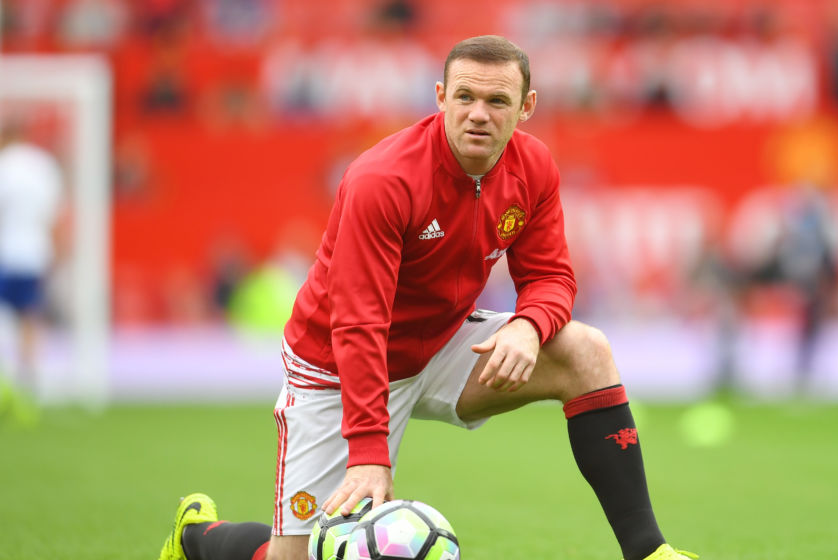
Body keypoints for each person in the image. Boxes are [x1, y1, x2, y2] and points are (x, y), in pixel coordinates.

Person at [158, 35, 697, 560]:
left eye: (496, 101)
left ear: (527, 106)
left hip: (439, 344)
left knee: (587, 351)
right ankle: (197, 538)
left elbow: (553, 277)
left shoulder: (533, 168)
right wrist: (370, 455)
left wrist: (528, 326)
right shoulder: (382, 180)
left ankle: (650, 552)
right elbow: (359, 322)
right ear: (440, 96)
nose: (478, 114)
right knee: (294, 558)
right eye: (464, 97)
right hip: (338, 367)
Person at [0, 119, 63, 417]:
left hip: (5, 253)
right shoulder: (44, 166)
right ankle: (28, 388)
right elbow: (55, 214)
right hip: (35, 254)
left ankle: (6, 387)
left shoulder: (5, 165)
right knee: (29, 318)